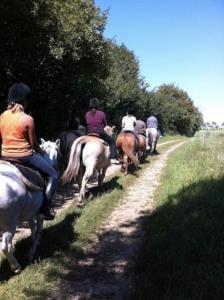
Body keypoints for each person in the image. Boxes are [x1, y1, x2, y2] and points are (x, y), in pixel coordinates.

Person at [0, 82, 58, 220]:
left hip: (4, 156)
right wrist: (42, 152)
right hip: (24, 156)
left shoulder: (2, 116)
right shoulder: (28, 119)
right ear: (25, 101)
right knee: (53, 174)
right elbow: (33, 145)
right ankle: (45, 209)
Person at [85, 97, 119, 164]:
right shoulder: (102, 113)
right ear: (97, 105)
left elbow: (86, 123)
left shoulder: (87, 114)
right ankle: (113, 158)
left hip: (89, 132)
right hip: (99, 132)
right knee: (112, 142)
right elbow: (105, 123)